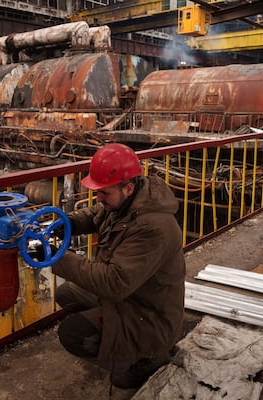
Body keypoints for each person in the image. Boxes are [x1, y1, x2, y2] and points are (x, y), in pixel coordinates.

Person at [42, 143, 186, 388]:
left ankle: (144, 360)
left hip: (149, 315)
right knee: (66, 293)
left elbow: (113, 282)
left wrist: (57, 257)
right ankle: (120, 343)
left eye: (104, 193)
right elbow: (97, 214)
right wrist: (65, 224)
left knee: (72, 334)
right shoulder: (127, 202)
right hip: (134, 296)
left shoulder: (153, 228)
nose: (98, 198)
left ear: (128, 188)